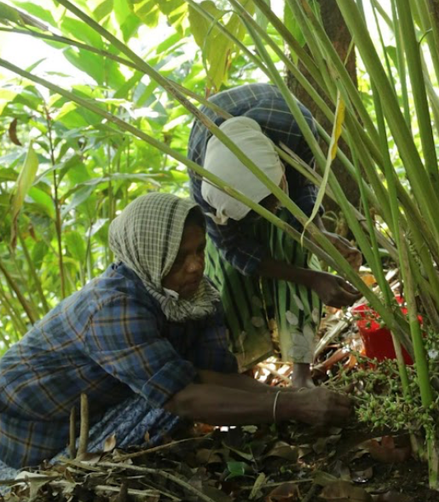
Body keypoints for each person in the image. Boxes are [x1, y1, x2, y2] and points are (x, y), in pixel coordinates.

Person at [0, 193, 352, 470]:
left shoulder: (196, 296)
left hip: (99, 406)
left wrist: (290, 401)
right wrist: (290, 406)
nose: (197, 265)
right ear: (149, 255)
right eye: (180, 256)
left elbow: (210, 376)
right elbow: (184, 397)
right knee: (166, 403)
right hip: (26, 429)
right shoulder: (111, 310)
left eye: (200, 250)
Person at [188, 83, 362, 389]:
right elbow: (234, 250)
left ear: (279, 170)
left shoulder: (297, 126)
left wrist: (318, 234)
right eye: (260, 210)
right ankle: (243, 373)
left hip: (276, 142)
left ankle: (300, 376)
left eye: (273, 199)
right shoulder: (207, 179)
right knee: (228, 276)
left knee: (294, 244)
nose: (271, 212)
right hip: (237, 192)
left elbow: (305, 183)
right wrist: (310, 278)